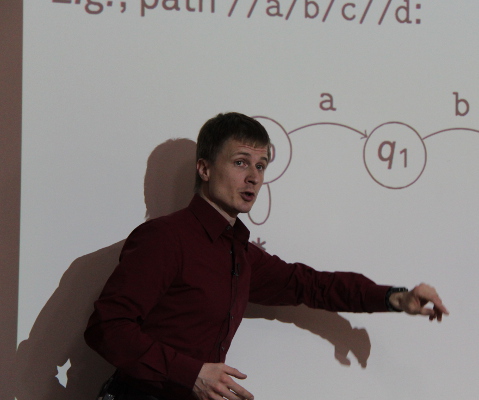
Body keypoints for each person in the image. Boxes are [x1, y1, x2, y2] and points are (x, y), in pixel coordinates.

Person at [84, 112, 449, 400]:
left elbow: (310, 285)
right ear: (205, 169)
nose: (254, 178)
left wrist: (395, 297)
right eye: (241, 162)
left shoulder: (240, 253)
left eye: (260, 166)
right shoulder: (165, 238)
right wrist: (191, 374)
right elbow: (106, 327)